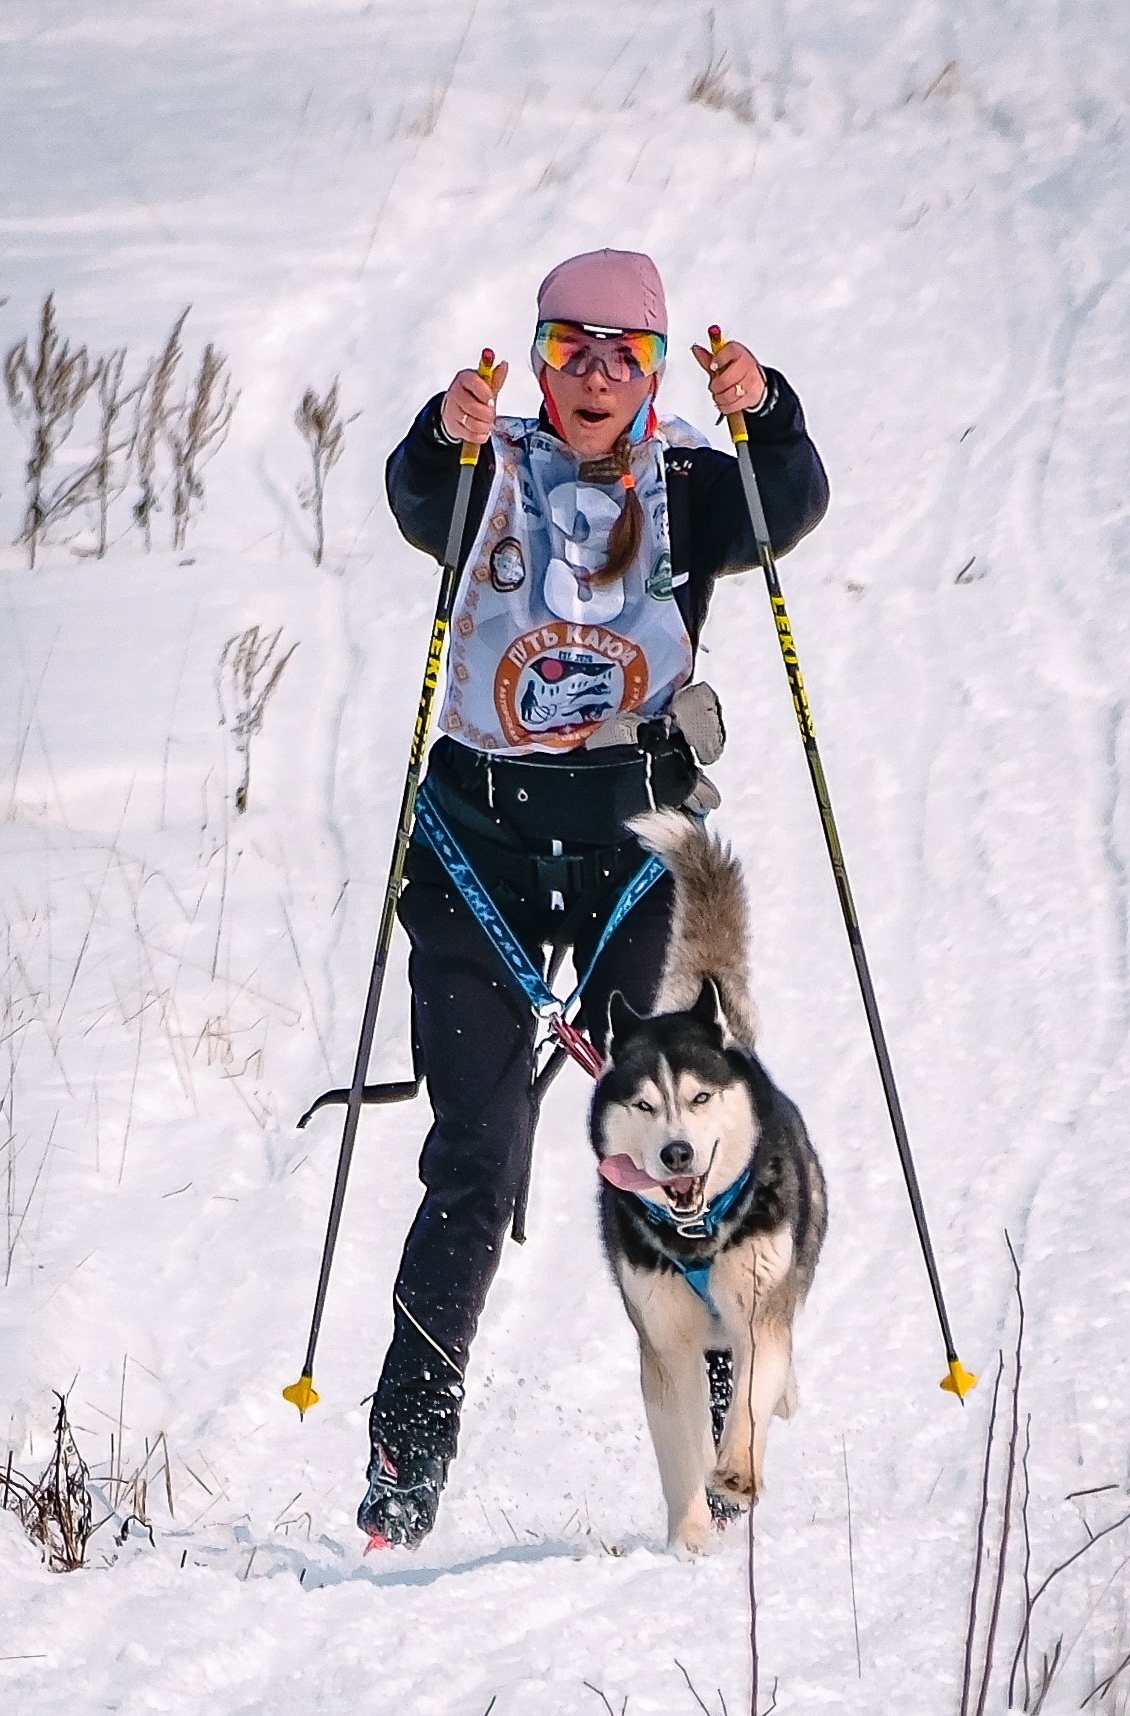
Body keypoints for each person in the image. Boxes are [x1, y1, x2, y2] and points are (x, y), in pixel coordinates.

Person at [358, 248, 829, 1547]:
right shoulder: (488, 463)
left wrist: (765, 410)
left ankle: (724, 1432)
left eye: (628, 354)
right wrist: (441, 432)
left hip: (633, 847)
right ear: (540, 358)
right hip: (480, 846)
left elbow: (787, 503)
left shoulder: (690, 483)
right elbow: (415, 496)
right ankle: (406, 1455)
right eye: (572, 349)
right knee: (476, 1151)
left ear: (657, 369)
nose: (598, 375)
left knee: (675, 1140)